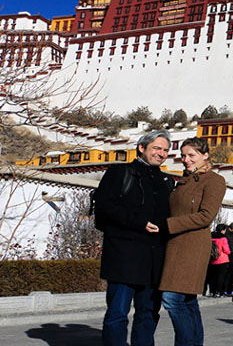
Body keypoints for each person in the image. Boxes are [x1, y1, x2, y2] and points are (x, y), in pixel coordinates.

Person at [94, 130, 173, 346]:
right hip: (124, 257)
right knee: (118, 313)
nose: (161, 153)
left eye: (165, 150)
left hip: (154, 260)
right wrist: (138, 222)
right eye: (156, 148)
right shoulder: (120, 173)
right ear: (141, 147)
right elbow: (104, 207)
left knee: (148, 314)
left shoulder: (167, 181)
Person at [158, 137, 226, 346]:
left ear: (205, 155)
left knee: (172, 298)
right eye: (183, 156)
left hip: (193, 246)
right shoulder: (183, 181)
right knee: (187, 300)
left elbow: (206, 216)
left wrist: (168, 225)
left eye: (191, 155)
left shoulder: (214, 180)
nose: (185, 160)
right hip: (173, 244)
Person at [209, 224, 231, 297]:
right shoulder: (223, 238)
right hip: (222, 259)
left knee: (213, 276)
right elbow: (227, 250)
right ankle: (219, 291)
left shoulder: (211, 237)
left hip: (213, 259)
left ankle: (212, 291)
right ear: (223, 230)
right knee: (221, 276)